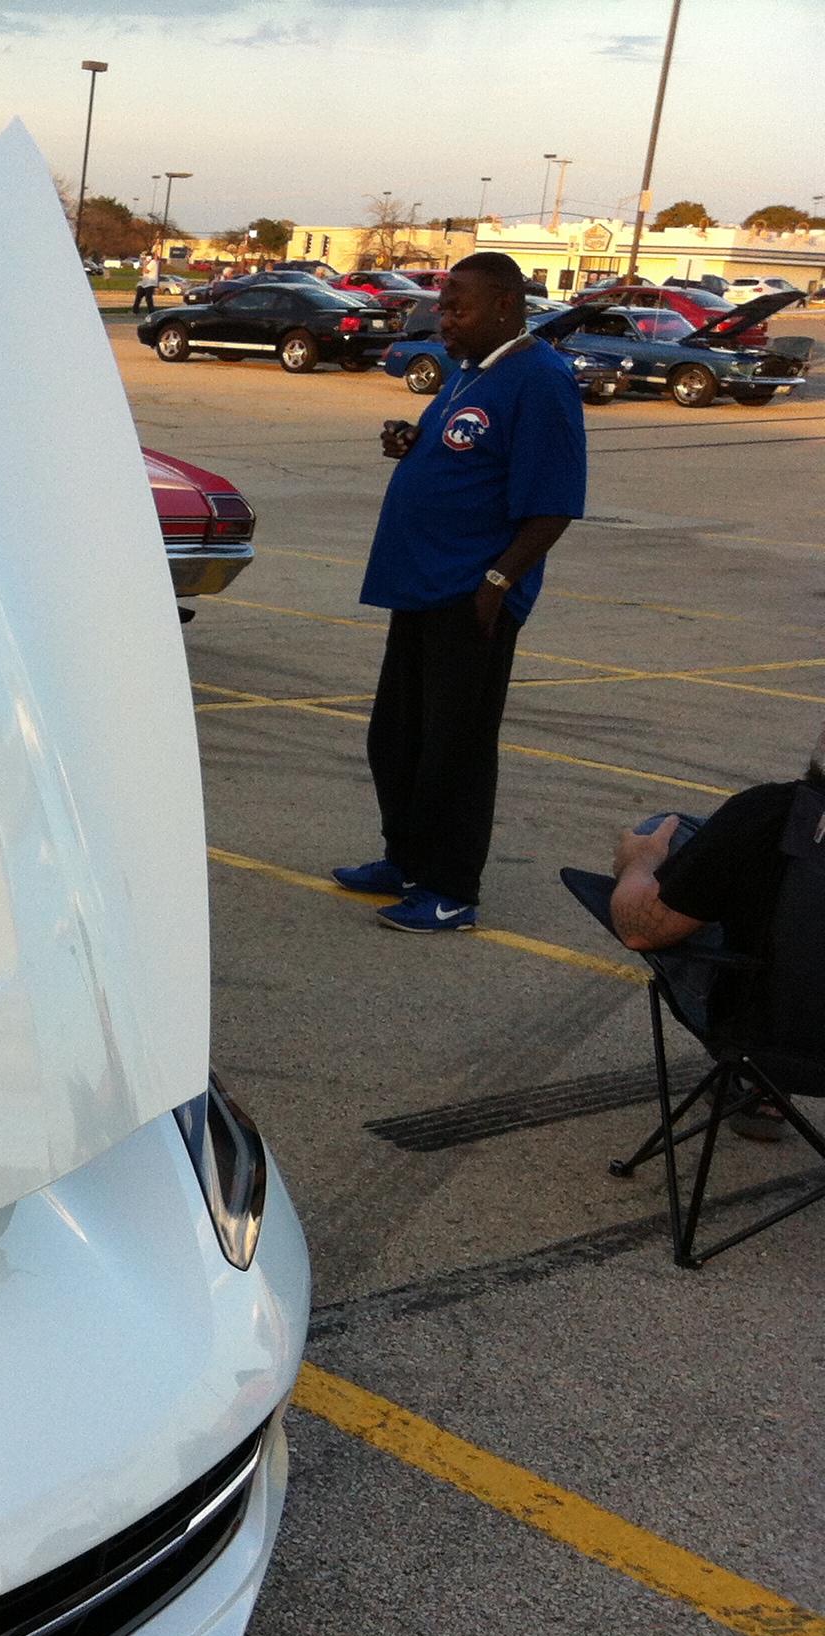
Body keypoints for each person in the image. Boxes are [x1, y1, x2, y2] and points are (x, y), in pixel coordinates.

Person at [332, 250, 585, 933]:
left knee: (457, 748)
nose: (442, 319)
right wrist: (411, 441)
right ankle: (405, 860)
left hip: (471, 594)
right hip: (420, 584)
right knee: (397, 739)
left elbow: (555, 504)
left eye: (456, 308)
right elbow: (464, 448)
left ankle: (450, 888)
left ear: (504, 305)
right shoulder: (473, 371)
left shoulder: (541, 381)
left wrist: (498, 581)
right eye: (441, 306)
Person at [570, 725, 825, 1137]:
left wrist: (640, 862)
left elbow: (640, 931)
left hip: (769, 1036)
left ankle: (758, 1082)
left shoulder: (769, 813)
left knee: (664, 833)